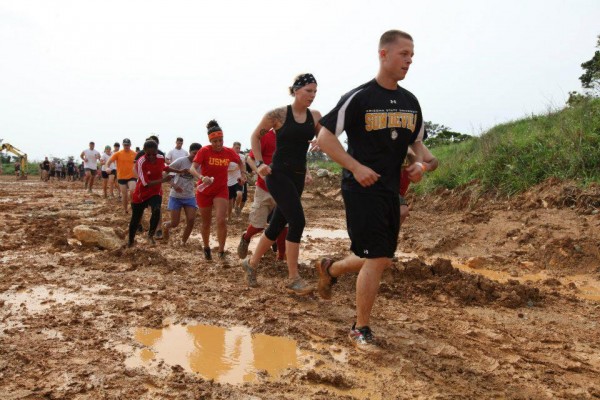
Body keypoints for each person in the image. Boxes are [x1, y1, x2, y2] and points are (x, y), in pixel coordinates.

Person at [315, 30, 427, 350]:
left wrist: (422, 165)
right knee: (377, 256)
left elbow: (420, 149)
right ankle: (359, 328)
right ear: (383, 54)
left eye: (412, 55)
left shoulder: (410, 102)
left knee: (376, 257)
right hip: (361, 188)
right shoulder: (360, 97)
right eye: (404, 53)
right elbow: (325, 138)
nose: (409, 60)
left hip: (391, 191)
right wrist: (355, 167)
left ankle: (331, 268)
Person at [241, 73, 319, 295]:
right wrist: (259, 163)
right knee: (298, 221)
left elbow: (325, 134)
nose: (312, 96)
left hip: (298, 176)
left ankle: (251, 263)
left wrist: (319, 140)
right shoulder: (278, 115)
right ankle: (293, 278)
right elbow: (255, 137)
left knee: (276, 226)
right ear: (296, 90)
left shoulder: (315, 116)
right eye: (308, 91)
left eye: (315, 91)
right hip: (278, 175)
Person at [189, 120, 246, 260]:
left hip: (221, 190)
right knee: (206, 222)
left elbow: (240, 162)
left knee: (221, 220)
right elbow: (192, 169)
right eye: (215, 141)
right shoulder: (204, 151)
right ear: (210, 140)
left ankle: (221, 251)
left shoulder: (228, 152)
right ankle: (207, 247)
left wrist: (243, 175)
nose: (218, 144)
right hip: (204, 191)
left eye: (220, 140)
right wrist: (201, 177)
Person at [237, 128, 287, 262]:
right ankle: (246, 237)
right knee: (258, 224)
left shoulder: (291, 138)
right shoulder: (266, 137)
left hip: (284, 190)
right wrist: (260, 172)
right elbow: (250, 159)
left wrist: (307, 174)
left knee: (284, 226)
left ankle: (281, 257)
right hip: (264, 189)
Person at [127, 140, 184, 247]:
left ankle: (150, 235)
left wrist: (179, 171)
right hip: (141, 193)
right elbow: (145, 184)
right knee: (135, 218)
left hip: (155, 191)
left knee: (157, 209)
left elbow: (164, 167)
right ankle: (130, 241)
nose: (152, 156)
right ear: (144, 151)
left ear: (157, 151)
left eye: (154, 154)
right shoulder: (141, 161)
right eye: (149, 154)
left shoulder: (160, 158)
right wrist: (163, 180)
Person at [162, 142, 202, 244]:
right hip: (176, 196)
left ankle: (183, 242)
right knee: (175, 223)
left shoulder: (199, 165)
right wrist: (174, 185)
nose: (195, 156)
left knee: (191, 220)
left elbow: (202, 176)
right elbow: (164, 172)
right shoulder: (181, 161)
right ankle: (166, 226)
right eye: (194, 153)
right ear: (189, 151)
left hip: (189, 196)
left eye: (198, 154)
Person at [399, 144, 438, 224]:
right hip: (384, 186)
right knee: (402, 211)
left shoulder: (416, 145)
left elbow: (434, 161)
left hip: (399, 192)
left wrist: (428, 166)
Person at [106, 138, 137, 213]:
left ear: (130, 145)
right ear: (123, 145)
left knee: (132, 191)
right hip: (121, 176)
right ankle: (125, 209)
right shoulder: (118, 153)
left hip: (132, 176)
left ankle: (134, 208)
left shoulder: (135, 154)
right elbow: (109, 161)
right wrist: (107, 167)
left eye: (128, 145)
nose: (126, 146)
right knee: (124, 194)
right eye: (125, 145)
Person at [227, 142, 245, 218]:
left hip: (238, 179)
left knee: (240, 194)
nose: (238, 149)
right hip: (229, 181)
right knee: (229, 201)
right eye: (236, 148)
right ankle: (229, 216)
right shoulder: (228, 157)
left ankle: (236, 207)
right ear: (233, 147)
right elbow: (224, 169)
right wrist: (233, 169)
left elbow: (243, 166)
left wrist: (244, 176)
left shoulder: (242, 157)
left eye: (239, 148)